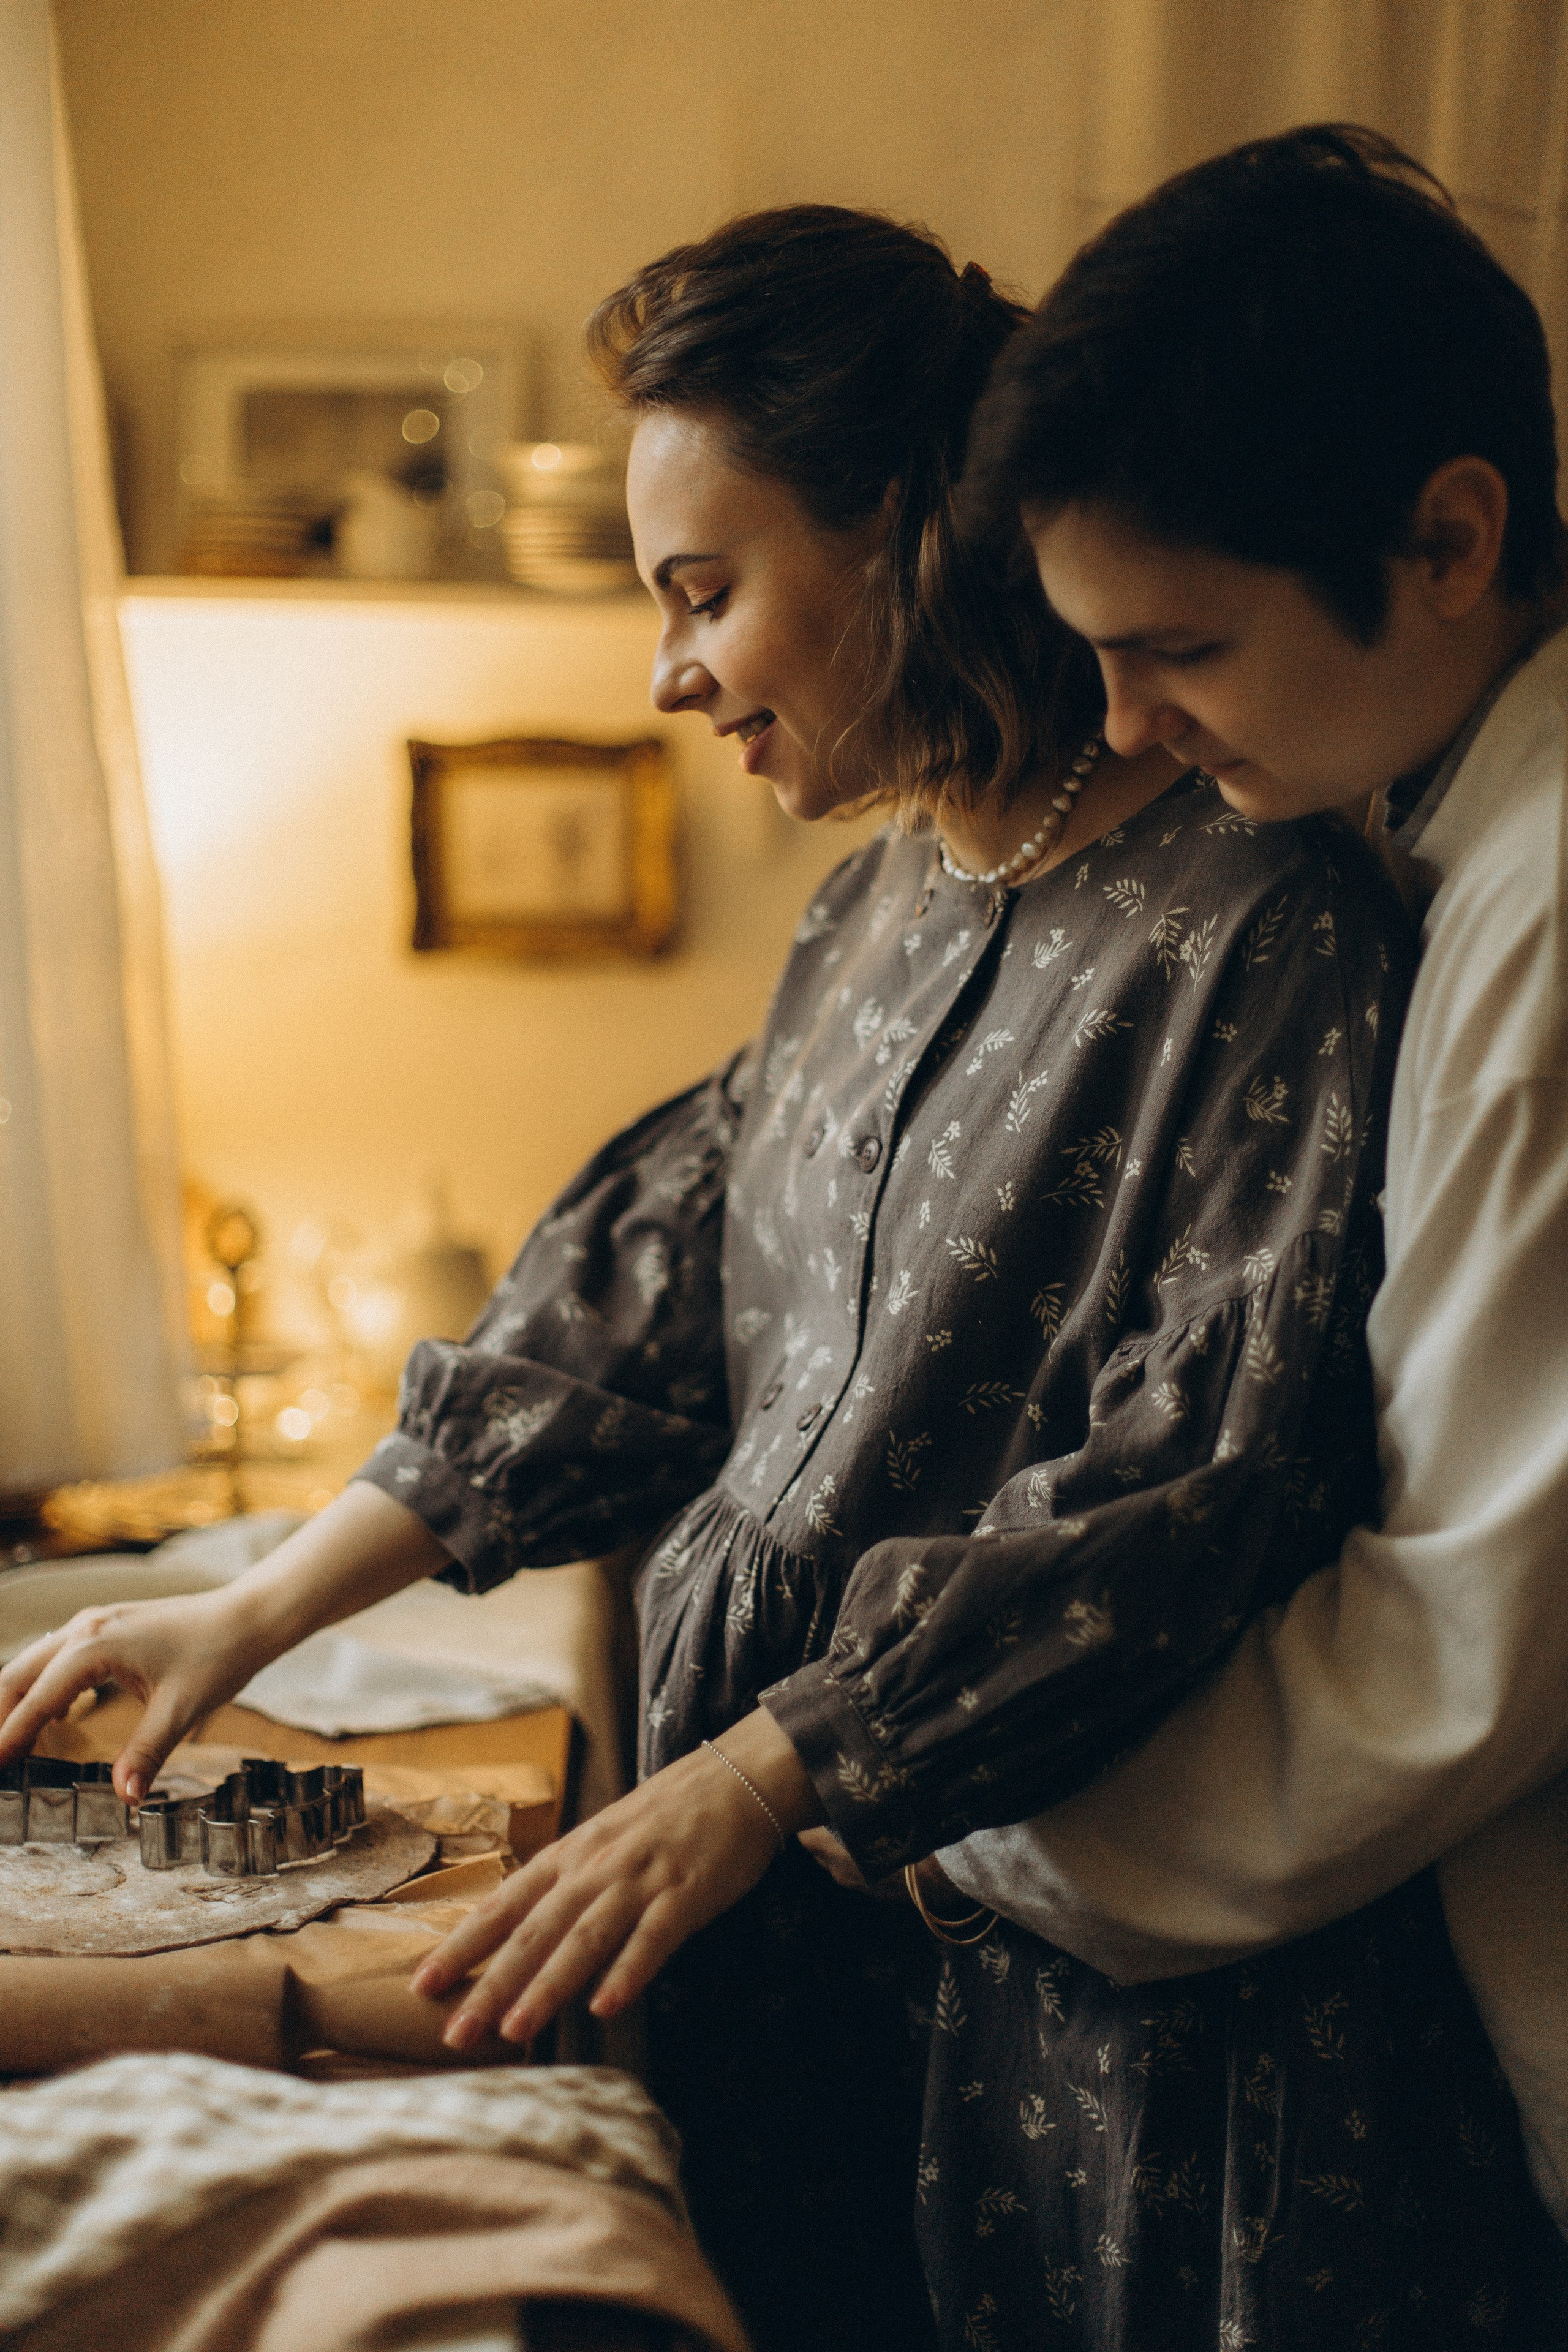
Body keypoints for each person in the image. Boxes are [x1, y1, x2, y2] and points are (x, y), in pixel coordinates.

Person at [0, 207, 1411, 2348]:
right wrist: (256, 1601)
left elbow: (1192, 1488)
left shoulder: (1263, 922)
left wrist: (771, 1768)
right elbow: (638, 1298)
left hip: (1064, 2002)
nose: (670, 674)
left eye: (706, 591)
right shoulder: (879, 906)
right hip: (783, 1943)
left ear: (920, 537)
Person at [914, 123, 1568, 2347]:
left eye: (1180, 645)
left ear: (1451, 536)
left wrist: (969, 1827)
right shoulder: (1454, 831)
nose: (1126, 731)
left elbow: (1470, 1635)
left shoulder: (1545, 924)